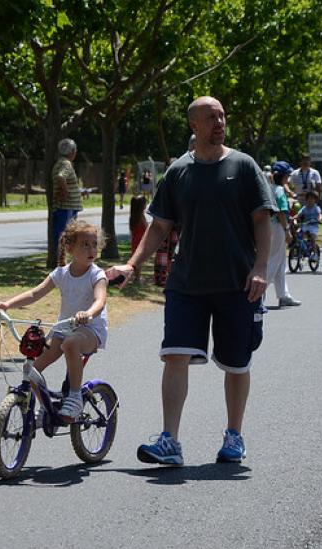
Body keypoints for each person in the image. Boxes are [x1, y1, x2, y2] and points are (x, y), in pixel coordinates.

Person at [107, 96, 275, 466]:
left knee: (237, 363)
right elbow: (159, 226)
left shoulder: (244, 166)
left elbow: (262, 220)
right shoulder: (178, 172)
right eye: (211, 117)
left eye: (222, 116)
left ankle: (234, 435)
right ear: (193, 125)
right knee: (175, 355)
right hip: (186, 283)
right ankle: (170, 440)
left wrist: (261, 267)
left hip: (236, 281)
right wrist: (132, 265)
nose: (219, 122)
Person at [0, 220, 108, 421]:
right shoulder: (61, 273)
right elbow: (35, 293)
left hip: (90, 330)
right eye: (85, 245)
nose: (91, 249)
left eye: (94, 244)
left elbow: (100, 300)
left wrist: (88, 313)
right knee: (31, 369)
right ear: (69, 248)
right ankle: (45, 406)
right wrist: (6, 305)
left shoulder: (97, 275)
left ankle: (75, 397)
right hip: (64, 328)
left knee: (70, 344)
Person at [266, 161, 300, 307]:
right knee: (274, 261)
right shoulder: (280, 190)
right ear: (283, 176)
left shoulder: (268, 187)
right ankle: (258, 294)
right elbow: (281, 212)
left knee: (280, 262)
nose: (288, 178)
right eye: (287, 175)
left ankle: (283, 295)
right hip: (277, 227)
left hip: (267, 226)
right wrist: (287, 231)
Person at [51, 138, 83, 248]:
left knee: (65, 233)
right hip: (67, 206)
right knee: (65, 233)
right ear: (72, 151)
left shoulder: (60, 162)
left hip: (66, 206)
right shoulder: (66, 163)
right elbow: (61, 176)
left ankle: (62, 254)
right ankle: (62, 255)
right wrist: (65, 191)